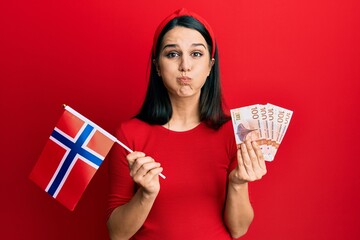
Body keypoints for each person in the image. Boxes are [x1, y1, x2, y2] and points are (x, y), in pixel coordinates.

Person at [106, 8, 267, 240]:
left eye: (196, 54)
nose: (185, 66)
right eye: (172, 54)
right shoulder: (129, 134)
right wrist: (146, 195)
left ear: (211, 65)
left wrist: (238, 183)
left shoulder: (235, 131)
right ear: (157, 66)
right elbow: (117, 235)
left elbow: (239, 229)